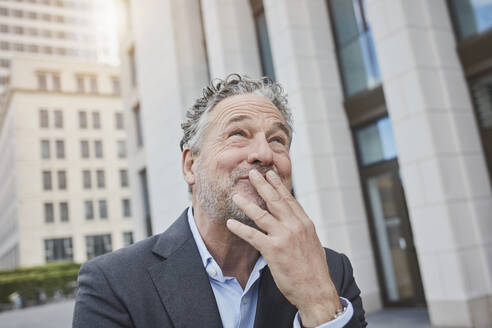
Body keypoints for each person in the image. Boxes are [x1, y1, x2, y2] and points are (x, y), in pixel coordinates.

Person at [73, 74, 367, 328]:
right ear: (191, 166)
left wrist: (317, 301)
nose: (264, 154)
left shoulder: (331, 271)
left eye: (278, 140)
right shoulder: (113, 283)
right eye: (238, 133)